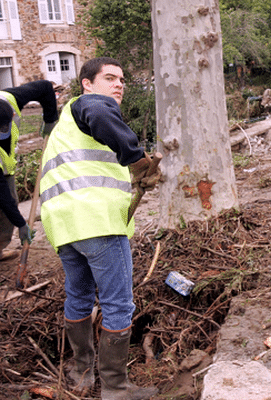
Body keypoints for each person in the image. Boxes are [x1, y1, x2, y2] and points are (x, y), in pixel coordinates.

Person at [40, 57, 161, 399]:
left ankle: (81, 374)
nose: (118, 84)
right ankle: (116, 388)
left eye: (121, 79)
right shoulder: (91, 104)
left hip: (65, 227)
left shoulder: (66, 121)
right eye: (110, 78)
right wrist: (138, 161)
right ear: (87, 84)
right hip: (98, 223)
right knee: (118, 305)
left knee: (78, 297)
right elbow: (102, 114)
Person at [0, 80, 57, 261]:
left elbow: (46, 88)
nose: (4, 130)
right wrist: (21, 224)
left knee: (11, 203)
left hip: (6, 168)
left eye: (5, 126)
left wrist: (50, 119)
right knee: (6, 201)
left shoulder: (10, 98)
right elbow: (1, 193)